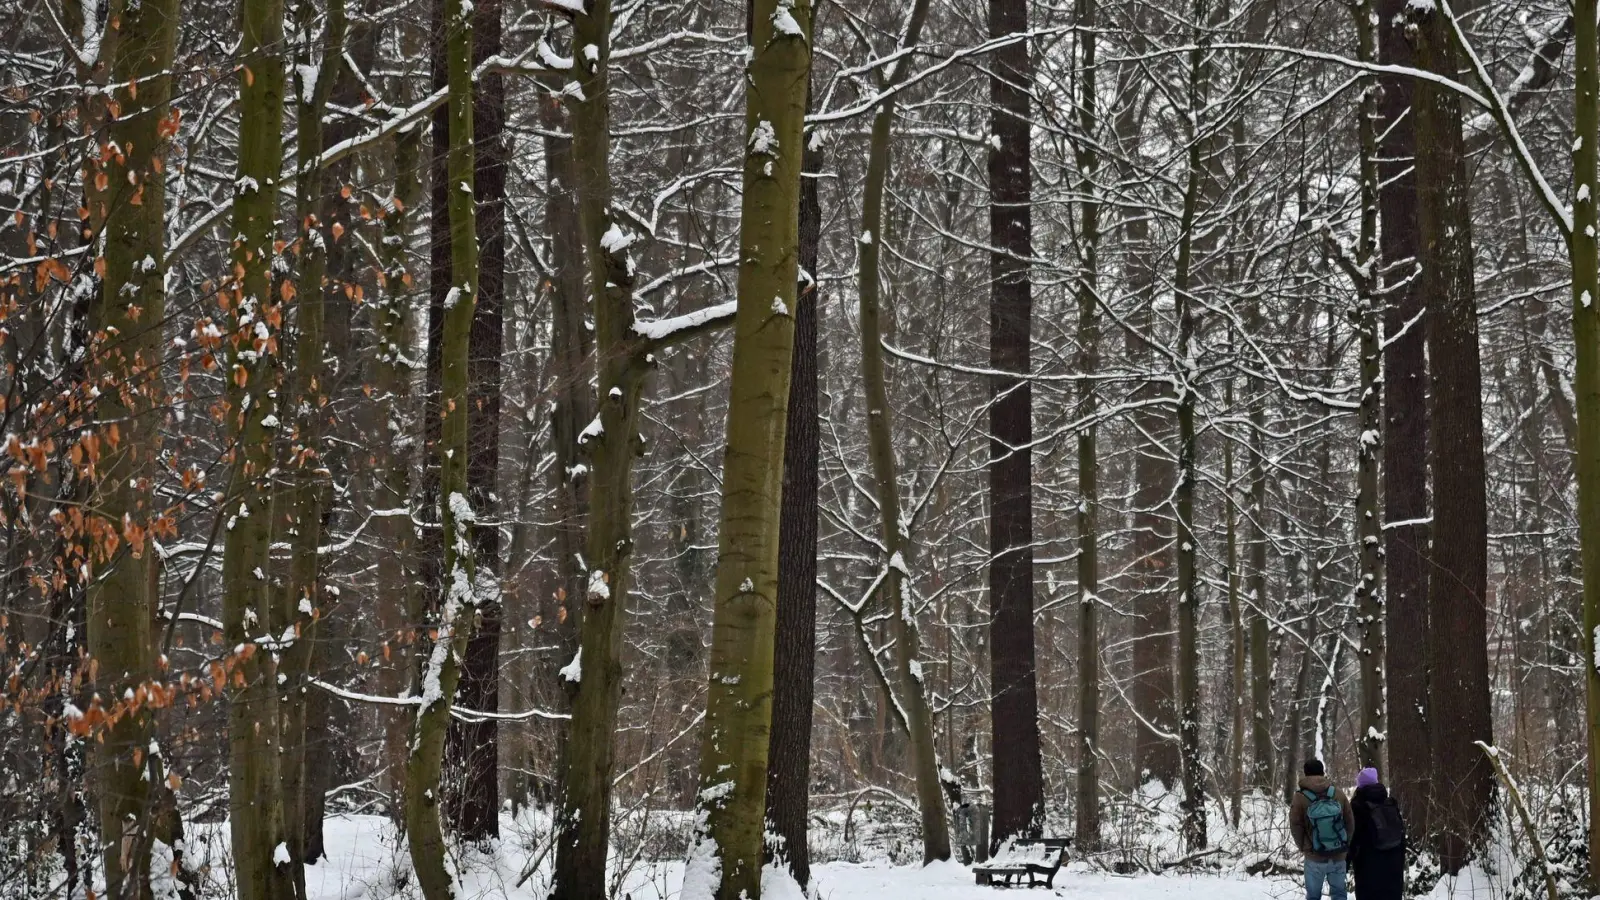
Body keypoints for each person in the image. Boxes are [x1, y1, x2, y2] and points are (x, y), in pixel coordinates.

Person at [1290, 758, 1354, 900]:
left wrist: (1305, 847)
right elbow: (1350, 821)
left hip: (1314, 856)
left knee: (1313, 896)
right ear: (1322, 772)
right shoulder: (1338, 793)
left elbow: (1295, 826)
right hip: (1338, 855)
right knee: (1339, 894)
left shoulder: (1300, 797)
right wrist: (1344, 843)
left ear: (1306, 774)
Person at [1348, 767, 1406, 900]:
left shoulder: (1358, 806)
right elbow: (1401, 835)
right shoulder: (1391, 803)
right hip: (1393, 867)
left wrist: (1344, 863)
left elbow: (1353, 839)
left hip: (1369, 868)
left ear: (1360, 784)